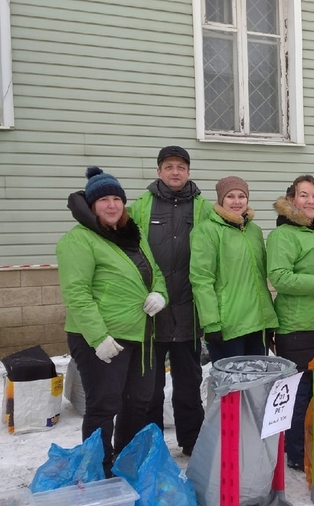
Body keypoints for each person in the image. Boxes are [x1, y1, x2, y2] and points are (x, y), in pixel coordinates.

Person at [56, 166, 168, 475]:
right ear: (92, 205)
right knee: (104, 406)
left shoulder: (132, 235)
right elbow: (77, 293)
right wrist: (98, 338)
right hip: (102, 339)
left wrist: (160, 293)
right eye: (104, 199)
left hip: (140, 335)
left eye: (117, 198)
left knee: (138, 402)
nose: (112, 205)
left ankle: (123, 462)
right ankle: (97, 468)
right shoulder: (79, 240)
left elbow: (155, 273)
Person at [127, 145, 213, 456]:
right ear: (159, 171)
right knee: (149, 388)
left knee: (189, 384)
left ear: (188, 172)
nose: (174, 172)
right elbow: (128, 251)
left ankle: (192, 442)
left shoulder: (205, 208)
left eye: (180, 166)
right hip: (153, 312)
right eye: (168, 167)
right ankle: (151, 446)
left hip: (189, 311)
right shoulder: (141, 207)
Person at [267, 174, 314, 471]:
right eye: (303, 195)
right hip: (297, 328)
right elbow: (279, 277)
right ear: (291, 199)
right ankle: (296, 453)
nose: (310, 201)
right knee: (298, 398)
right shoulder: (282, 235)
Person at [190, 176, 278, 362]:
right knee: (233, 388)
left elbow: (260, 277)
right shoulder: (207, 231)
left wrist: (268, 318)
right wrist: (211, 323)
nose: (237, 201)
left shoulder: (254, 231)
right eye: (230, 196)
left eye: (241, 196)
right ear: (221, 199)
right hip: (228, 327)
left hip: (258, 324)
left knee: (256, 386)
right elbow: (201, 279)